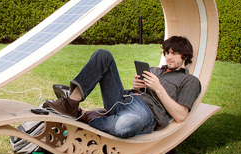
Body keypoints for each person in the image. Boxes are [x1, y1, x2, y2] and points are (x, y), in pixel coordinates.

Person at [42, 36, 201, 139]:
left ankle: (87, 116)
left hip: (147, 113)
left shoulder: (190, 80)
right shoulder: (154, 70)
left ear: (185, 56)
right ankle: (70, 103)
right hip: (125, 99)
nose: (169, 57)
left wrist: (159, 88)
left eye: (174, 53)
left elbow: (180, 115)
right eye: (167, 53)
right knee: (103, 55)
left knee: (121, 127)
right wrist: (137, 86)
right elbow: (138, 91)